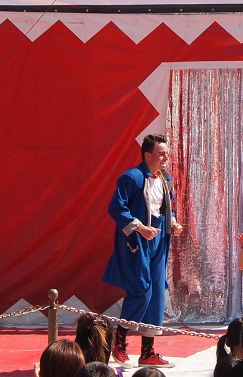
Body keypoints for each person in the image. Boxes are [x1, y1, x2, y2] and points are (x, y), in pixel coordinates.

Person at [103, 134, 183, 368]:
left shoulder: (165, 179)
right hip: (138, 241)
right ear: (148, 155)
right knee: (141, 291)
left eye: (166, 153)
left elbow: (168, 207)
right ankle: (119, 345)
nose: (165, 157)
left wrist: (174, 223)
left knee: (157, 292)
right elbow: (116, 207)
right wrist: (139, 227)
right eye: (161, 153)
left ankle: (148, 351)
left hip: (160, 239)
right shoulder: (132, 177)